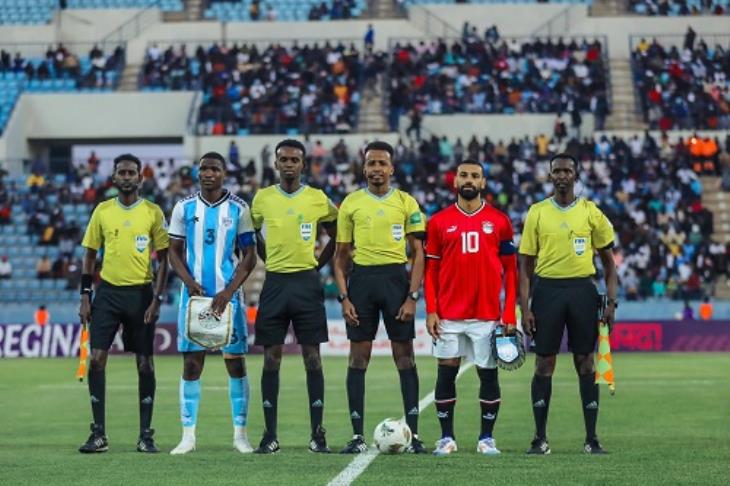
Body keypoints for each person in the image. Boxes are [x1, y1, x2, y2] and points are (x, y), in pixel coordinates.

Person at [519, 153, 617, 455]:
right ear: (550, 176)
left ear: (576, 175)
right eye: (556, 171)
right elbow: (525, 265)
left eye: (567, 171)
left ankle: (591, 438)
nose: (562, 176)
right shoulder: (537, 212)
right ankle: (539, 438)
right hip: (547, 290)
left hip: (583, 291)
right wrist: (525, 307)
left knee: (585, 362)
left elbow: (610, 265)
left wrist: (611, 302)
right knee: (544, 363)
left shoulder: (591, 213)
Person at [334, 141, 427, 454]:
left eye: (381, 163)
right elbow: (340, 256)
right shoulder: (350, 203)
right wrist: (344, 298)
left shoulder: (406, 202)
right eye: (371, 163)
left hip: (395, 281)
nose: (376, 169)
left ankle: (413, 436)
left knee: (405, 357)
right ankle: (358, 436)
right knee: (358, 357)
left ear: (392, 168)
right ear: (364, 168)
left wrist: (413, 296)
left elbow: (418, 252)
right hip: (361, 282)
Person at [250, 139, 338, 454]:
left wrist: (319, 264)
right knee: (271, 358)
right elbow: (251, 237)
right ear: (276, 163)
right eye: (284, 159)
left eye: (294, 160)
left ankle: (317, 434)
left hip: (306, 283)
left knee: (312, 358)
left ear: (303, 164)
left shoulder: (317, 198)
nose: (289, 164)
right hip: (274, 283)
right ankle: (269, 435)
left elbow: (338, 233)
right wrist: (268, 259)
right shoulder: (262, 199)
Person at [77, 153, 170, 453]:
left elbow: (165, 259)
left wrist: (157, 298)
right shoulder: (102, 211)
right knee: (97, 360)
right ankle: (99, 433)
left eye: (132, 172)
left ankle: (146, 435)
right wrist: (85, 295)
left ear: (141, 178)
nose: (127, 176)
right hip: (108, 293)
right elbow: (90, 255)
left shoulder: (153, 213)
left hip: (141, 294)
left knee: (145, 363)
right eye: (122, 172)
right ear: (114, 177)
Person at [425, 159, 517, 456]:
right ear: (455, 181)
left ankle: (486, 439)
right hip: (448, 314)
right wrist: (431, 309)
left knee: (488, 374)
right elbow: (430, 271)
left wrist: (508, 313)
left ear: (483, 182)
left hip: (487, 315)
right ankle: (446, 438)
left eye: (475, 176)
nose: (469, 180)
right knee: (446, 372)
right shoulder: (438, 221)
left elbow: (511, 270)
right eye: (463, 175)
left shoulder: (500, 221)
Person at [167, 152, 257, 455]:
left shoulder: (239, 209)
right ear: (198, 173)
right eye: (203, 168)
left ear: (224, 173)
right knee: (192, 364)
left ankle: (240, 435)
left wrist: (228, 291)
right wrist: (189, 282)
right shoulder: (183, 207)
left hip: (228, 300)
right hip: (193, 299)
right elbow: (173, 252)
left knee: (235, 364)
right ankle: (188, 436)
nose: (208, 173)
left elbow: (250, 257)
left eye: (214, 169)